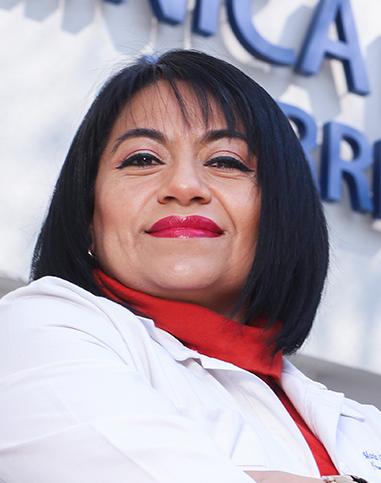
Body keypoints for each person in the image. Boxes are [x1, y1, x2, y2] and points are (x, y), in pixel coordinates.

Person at [0, 49, 379, 483]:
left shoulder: (364, 426)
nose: (183, 186)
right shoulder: (30, 331)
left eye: (225, 162)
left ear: (280, 213)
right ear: (88, 216)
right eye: (142, 159)